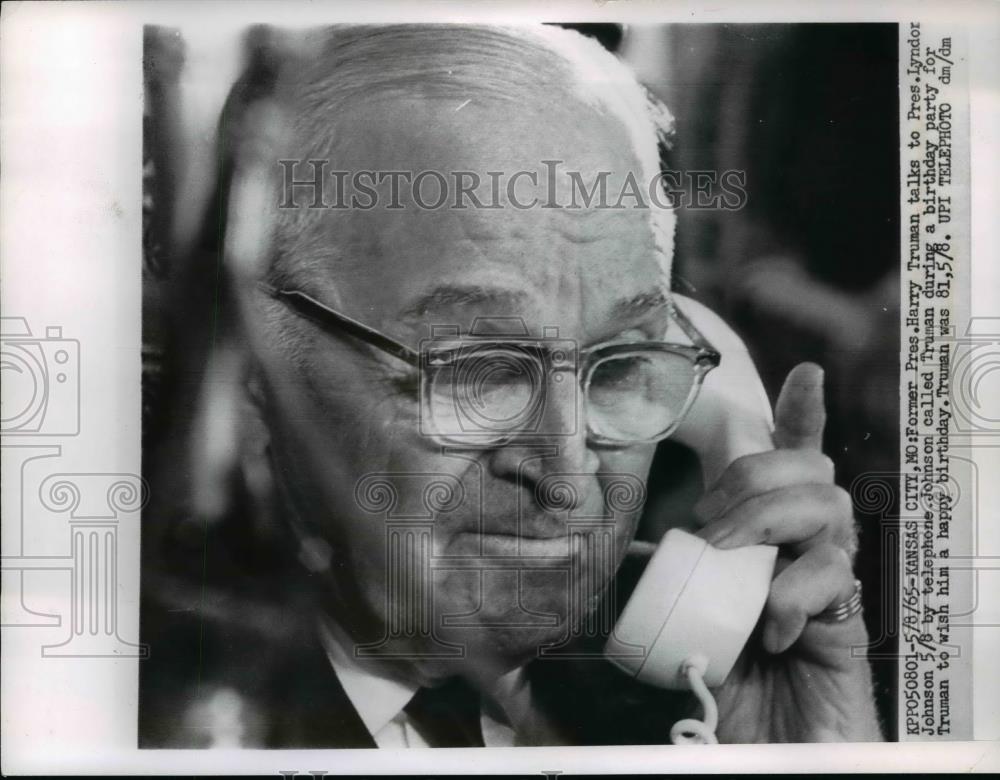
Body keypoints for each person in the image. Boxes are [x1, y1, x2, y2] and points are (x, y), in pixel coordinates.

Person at [139, 23, 882, 747]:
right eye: (481, 371)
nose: (566, 478)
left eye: (620, 367)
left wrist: (814, 752)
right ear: (254, 372)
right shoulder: (167, 722)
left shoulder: (675, 703)